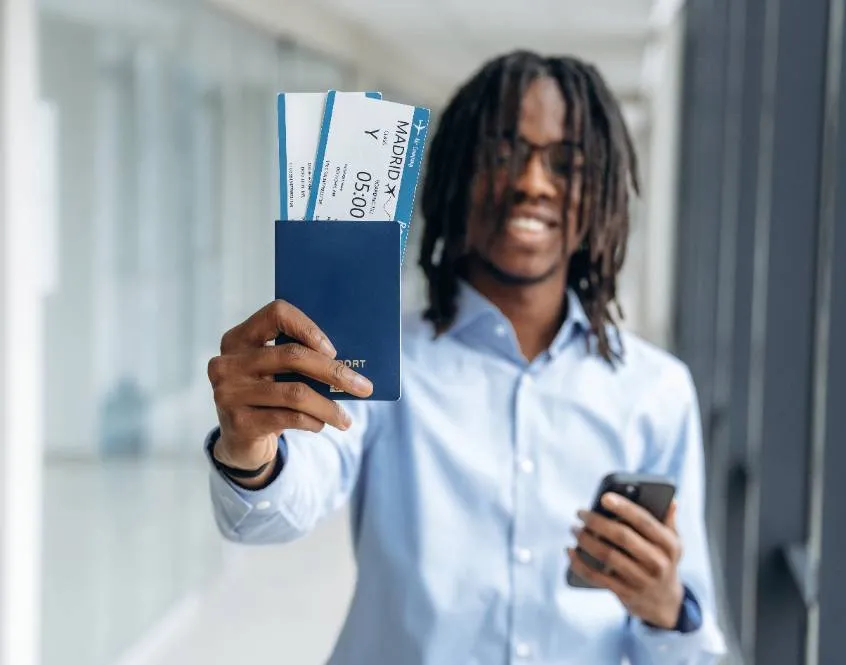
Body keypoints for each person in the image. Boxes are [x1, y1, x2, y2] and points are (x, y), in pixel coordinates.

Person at [204, 50, 727, 665]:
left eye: (565, 163)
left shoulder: (656, 391)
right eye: (503, 155)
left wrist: (668, 608)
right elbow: (274, 512)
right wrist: (250, 451)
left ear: (601, 191)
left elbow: (686, 651)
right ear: (457, 174)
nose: (532, 183)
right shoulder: (376, 361)